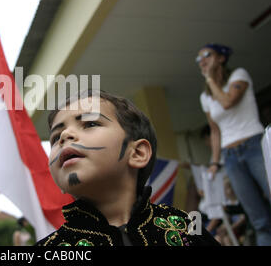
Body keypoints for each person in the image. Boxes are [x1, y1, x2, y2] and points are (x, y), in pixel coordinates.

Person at [36, 90, 219, 246]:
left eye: (90, 124)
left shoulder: (184, 227)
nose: (65, 135)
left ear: (137, 153)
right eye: (55, 136)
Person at [196, 43, 271, 245]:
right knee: (257, 217)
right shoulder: (206, 96)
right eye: (199, 59)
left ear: (221, 58)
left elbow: (228, 101)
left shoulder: (238, 75)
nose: (202, 61)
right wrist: (214, 162)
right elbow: (215, 130)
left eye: (206, 55)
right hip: (230, 156)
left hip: (254, 145)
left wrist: (211, 79)